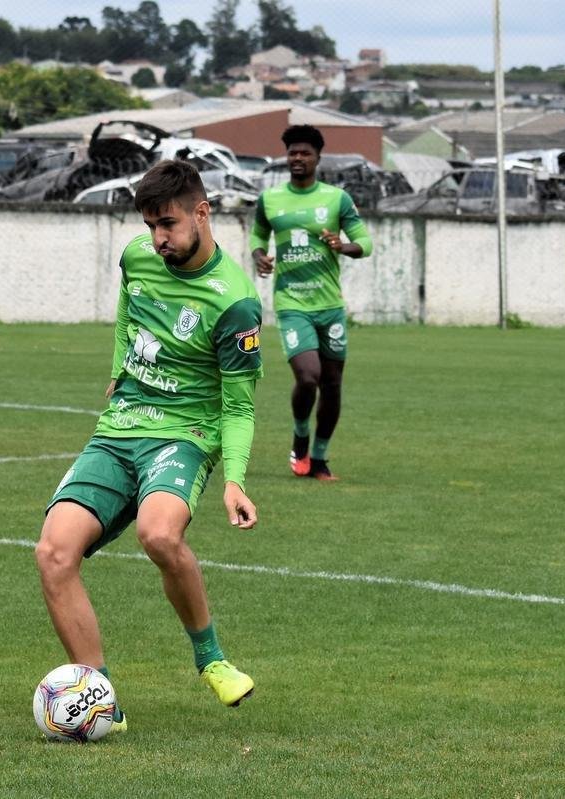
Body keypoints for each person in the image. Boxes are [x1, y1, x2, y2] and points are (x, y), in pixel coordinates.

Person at [35, 159, 264, 732]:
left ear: (201, 213)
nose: (157, 238)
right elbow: (127, 310)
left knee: (159, 534)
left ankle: (211, 660)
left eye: (168, 224)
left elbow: (239, 406)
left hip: (185, 435)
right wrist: (118, 367)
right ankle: (99, 699)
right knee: (54, 553)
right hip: (119, 430)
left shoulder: (235, 302)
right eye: (150, 225)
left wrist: (234, 478)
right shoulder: (138, 257)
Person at [249, 125, 374, 481]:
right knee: (308, 377)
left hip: (329, 305)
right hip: (291, 303)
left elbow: (365, 243)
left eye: (305, 153)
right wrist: (259, 256)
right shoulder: (270, 199)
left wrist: (342, 246)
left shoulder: (337, 199)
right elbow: (258, 235)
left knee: (331, 384)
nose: (298, 158)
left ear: (318, 158)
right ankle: (300, 435)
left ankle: (319, 459)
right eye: (293, 153)